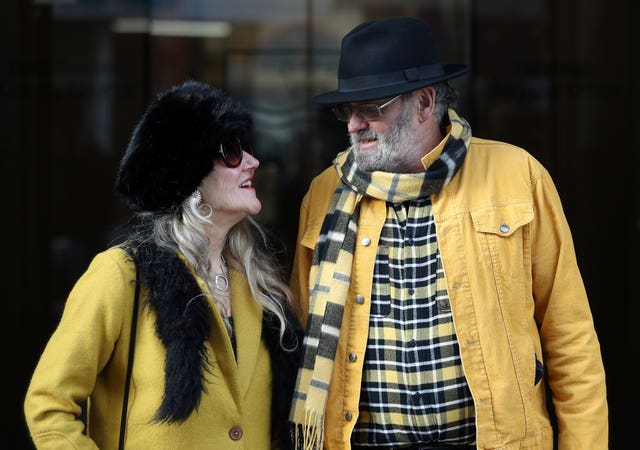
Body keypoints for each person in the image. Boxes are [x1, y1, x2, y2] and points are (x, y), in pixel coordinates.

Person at [288, 16, 608, 450]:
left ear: (424, 102)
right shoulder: (325, 194)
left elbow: (570, 339)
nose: (352, 125)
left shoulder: (519, 176)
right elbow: (299, 339)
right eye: (348, 111)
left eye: (372, 109)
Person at [24, 80, 301, 449]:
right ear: (189, 174)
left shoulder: (257, 284)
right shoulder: (122, 274)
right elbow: (49, 404)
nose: (253, 162)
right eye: (232, 151)